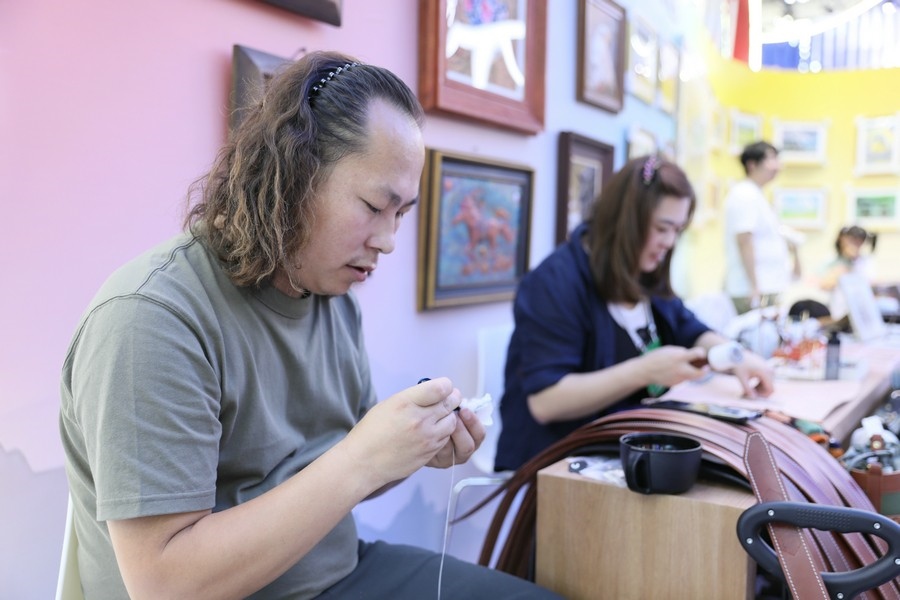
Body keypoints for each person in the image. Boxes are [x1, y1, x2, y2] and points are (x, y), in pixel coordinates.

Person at [59, 51, 560, 600]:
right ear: (293, 176)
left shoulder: (331, 297)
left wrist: (411, 447)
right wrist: (363, 458)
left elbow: (342, 475)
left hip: (338, 575)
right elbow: (166, 586)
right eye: (375, 205)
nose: (388, 240)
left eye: (402, 214)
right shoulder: (153, 319)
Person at [494, 155, 775, 472]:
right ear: (625, 221)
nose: (669, 242)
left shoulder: (643, 272)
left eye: (677, 230)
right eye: (662, 228)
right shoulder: (555, 283)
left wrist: (735, 356)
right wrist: (645, 371)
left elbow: (690, 329)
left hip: (625, 457)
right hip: (555, 468)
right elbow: (546, 402)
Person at [723, 140, 801, 314]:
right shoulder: (744, 194)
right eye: (771, 159)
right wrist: (754, 286)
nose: (777, 166)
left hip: (766, 286)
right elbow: (744, 240)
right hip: (752, 290)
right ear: (752, 164)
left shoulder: (756, 194)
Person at [818, 225, 877, 319]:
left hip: (862, 313)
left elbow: (871, 285)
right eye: (852, 239)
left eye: (859, 240)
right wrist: (843, 268)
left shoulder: (866, 262)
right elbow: (824, 285)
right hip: (839, 313)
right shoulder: (833, 261)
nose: (856, 243)